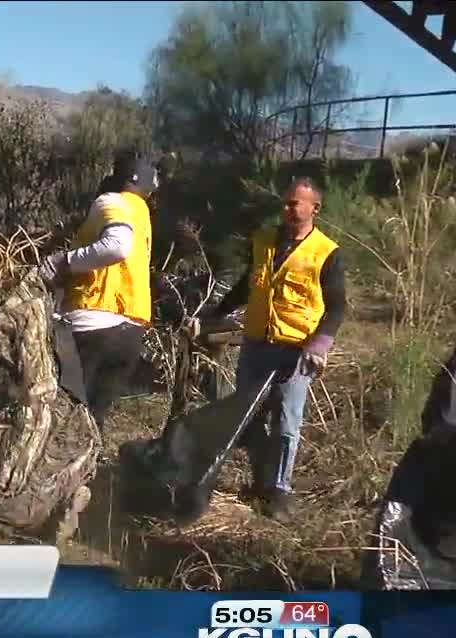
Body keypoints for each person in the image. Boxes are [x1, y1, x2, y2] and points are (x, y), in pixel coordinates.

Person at [192, 177, 348, 522]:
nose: (288, 209)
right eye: (286, 202)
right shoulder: (264, 240)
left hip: (296, 350)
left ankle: (279, 492)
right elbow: (248, 285)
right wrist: (214, 315)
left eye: (295, 203)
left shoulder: (327, 252)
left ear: (314, 208)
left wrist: (320, 345)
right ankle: (260, 481)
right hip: (256, 344)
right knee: (247, 417)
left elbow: (337, 307)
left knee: (286, 422)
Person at [38, 154, 160, 435]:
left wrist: (63, 262)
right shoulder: (142, 216)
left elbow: (116, 246)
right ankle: (88, 475)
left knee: (63, 418)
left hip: (92, 323)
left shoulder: (112, 202)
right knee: (94, 421)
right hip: (130, 331)